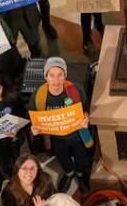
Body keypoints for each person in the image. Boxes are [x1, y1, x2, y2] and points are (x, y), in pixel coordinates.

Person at [29, 57, 94, 193]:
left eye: (60, 75)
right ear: (46, 76)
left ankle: (81, 175)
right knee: (62, 156)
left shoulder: (76, 90)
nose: (56, 80)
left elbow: (86, 108)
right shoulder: (39, 96)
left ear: (65, 75)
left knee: (81, 156)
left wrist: (86, 118)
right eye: (51, 75)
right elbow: (34, 116)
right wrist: (34, 129)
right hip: (56, 137)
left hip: (77, 134)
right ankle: (69, 173)